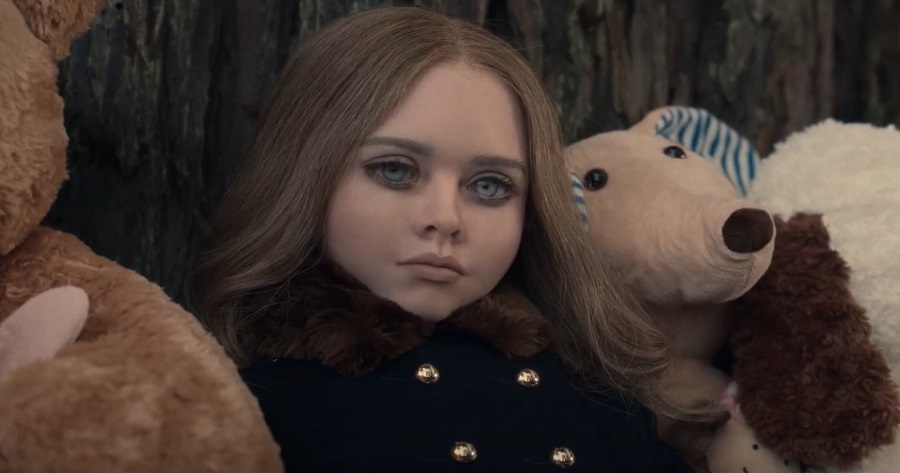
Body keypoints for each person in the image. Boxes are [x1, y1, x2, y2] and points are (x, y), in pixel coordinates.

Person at [192, 6, 699, 472]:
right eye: (394, 170)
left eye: (489, 186)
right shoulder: (242, 416)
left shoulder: (601, 405)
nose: (445, 218)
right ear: (305, 175)